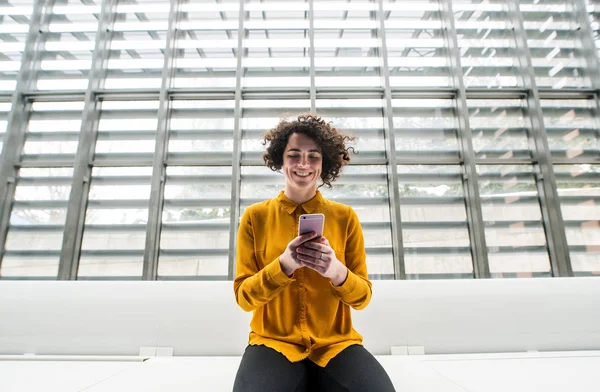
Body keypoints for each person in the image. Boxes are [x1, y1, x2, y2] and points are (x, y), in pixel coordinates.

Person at [232, 114, 396, 392]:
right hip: (273, 342)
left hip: (336, 343)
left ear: (325, 163)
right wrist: (283, 265)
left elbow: (363, 298)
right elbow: (244, 298)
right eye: (293, 155)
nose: (303, 164)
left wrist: (337, 272)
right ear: (280, 161)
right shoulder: (254, 217)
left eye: (314, 156)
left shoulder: (345, 218)